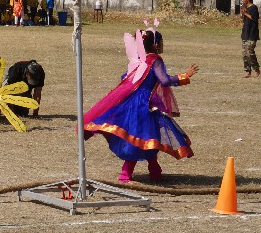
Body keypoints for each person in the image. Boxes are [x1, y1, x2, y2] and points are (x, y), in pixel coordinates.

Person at [84, 27, 199, 183]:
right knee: (139, 138)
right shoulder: (154, 60)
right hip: (144, 105)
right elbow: (164, 80)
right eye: (162, 42)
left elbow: (125, 77)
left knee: (149, 137)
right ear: (156, 44)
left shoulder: (140, 60)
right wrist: (184, 76)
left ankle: (155, 170)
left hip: (132, 102)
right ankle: (125, 174)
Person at [240, 0, 260, 78]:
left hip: (252, 34)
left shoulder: (254, 8)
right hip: (245, 33)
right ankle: (247, 71)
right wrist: (243, 14)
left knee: (250, 53)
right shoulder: (246, 8)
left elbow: (254, 18)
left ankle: (256, 69)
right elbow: (244, 21)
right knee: (244, 54)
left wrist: (245, 13)